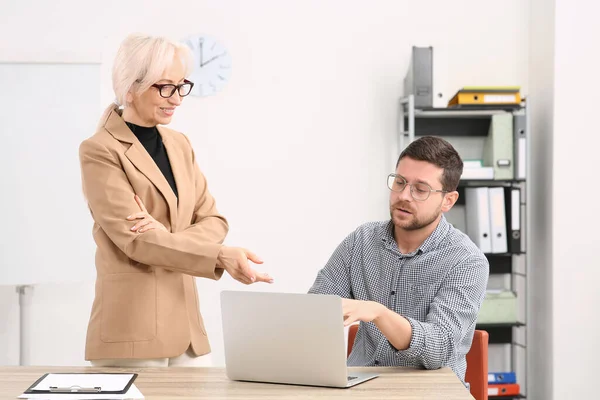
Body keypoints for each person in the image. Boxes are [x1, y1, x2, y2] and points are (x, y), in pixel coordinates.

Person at [79, 33, 272, 367]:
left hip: (188, 332)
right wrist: (219, 255)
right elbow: (138, 243)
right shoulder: (100, 150)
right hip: (133, 330)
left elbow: (214, 221)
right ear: (130, 87)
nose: (177, 98)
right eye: (165, 87)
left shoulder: (179, 143)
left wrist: (165, 237)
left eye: (181, 85)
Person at [308, 136, 489, 384]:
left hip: (430, 392)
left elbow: (437, 348)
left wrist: (378, 313)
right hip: (360, 387)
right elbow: (315, 311)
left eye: (420, 189)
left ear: (448, 200)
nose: (404, 195)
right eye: (400, 182)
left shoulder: (467, 261)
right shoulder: (361, 240)